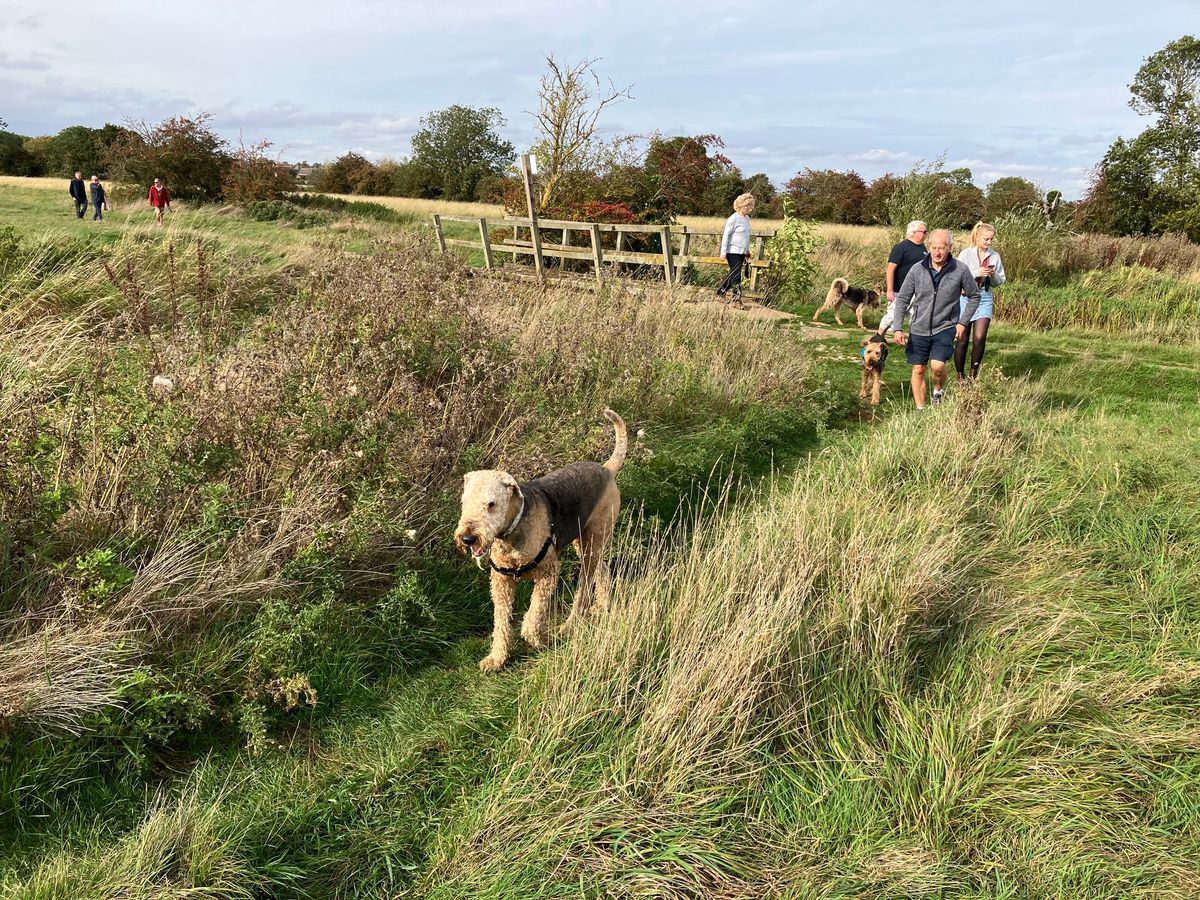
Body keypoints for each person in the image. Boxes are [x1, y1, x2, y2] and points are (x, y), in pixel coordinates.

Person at [891, 229, 980, 410]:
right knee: (918, 369)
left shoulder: (960, 269)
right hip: (918, 328)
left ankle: (938, 391)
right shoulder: (917, 270)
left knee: (937, 366)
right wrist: (897, 327)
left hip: (945, 326)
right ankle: (920, 409)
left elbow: (974, 296)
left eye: (942, 248)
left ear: (950, 248)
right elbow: (902, 299)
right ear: (928, 247)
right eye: (934, 247)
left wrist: (962, 323)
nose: (937, 252)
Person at [954, 221, 1006, 380]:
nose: (989, 242)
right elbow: (956, 277)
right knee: (962, 340)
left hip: (984, 298)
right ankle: (960, 376)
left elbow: (1000, 281)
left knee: (979, 338)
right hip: (966, 298)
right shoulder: (965, 254)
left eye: (991, 239)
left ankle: (973, 375)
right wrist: (977, 272)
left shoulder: (995, 256)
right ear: (977, 237)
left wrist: (993, 275)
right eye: (986, 239)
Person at [877, 220, 928, 335]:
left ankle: (914, 340)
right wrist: (890, 290)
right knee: (892, 315)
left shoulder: (923, 248)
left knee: (915, 316)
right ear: (913, 232)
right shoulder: (901, 247)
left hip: (918, 291)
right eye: (923, 231)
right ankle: (878, 336)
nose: (925, 234)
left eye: (926, 232)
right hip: (899, 290)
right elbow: (890, 269)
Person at [717, 192, 755, 309]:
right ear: (742, 206)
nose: (751, 208)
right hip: (732, 250)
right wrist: (723, 252)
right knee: (736, 275)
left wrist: (747, 250)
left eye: (752, 205)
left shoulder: (747, 219)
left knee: (733, 274)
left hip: (741, 251)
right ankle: (736, 300)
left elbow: (746, 236)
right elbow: (726, 235)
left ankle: (720, 293)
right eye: (749, 206)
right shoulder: (733, 219)